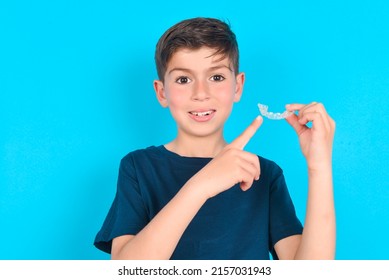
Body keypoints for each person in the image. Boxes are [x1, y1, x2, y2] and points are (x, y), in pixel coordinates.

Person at [94, 17, 336, 260]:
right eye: (183, 79)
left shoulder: (264, 175)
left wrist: (320, 165)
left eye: (217, 77)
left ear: (238, 86)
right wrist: (202, 185)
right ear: (161, 92)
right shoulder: (138, 167)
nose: (201, 94)